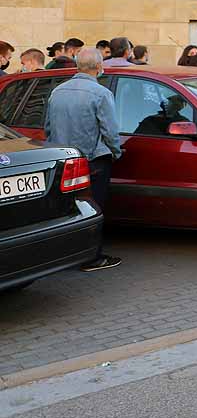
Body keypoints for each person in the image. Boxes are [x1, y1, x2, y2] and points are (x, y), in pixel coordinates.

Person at [44, 48, 123, 271]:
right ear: (99, 67)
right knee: (92, 208)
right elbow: (110, 131)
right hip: (93, 160)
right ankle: (91, 258)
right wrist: (116, 153)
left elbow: (48, 129)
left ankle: (65, 255)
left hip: (64, 160)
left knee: (67, 209)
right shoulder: (101, 94)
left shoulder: (57, 92)